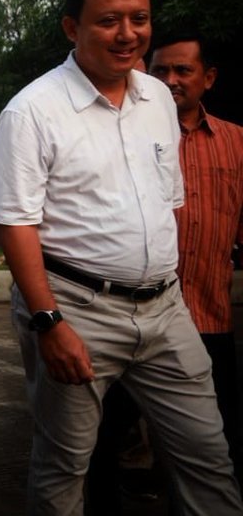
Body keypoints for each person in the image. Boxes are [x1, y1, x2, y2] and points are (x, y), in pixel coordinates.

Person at [0, 0, 242, 515]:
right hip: (77, 308)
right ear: (71, 28)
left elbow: (166, 202)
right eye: (109, 21)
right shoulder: (32, 112)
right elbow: (14, 224)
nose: (128, 34)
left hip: (165, 310)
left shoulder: (157, 98)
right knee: (64, 469)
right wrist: (48, 322)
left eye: (140, 18)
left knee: (207, 457)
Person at [150, 32, 243, 481]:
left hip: (209, 317)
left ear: (208, 78)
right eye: (159, 71)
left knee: (214, 448)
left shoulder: (237, 142)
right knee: (107, 444)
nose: (170, 81)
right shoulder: (128, 140)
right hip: (139, 321)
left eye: (182, 70)